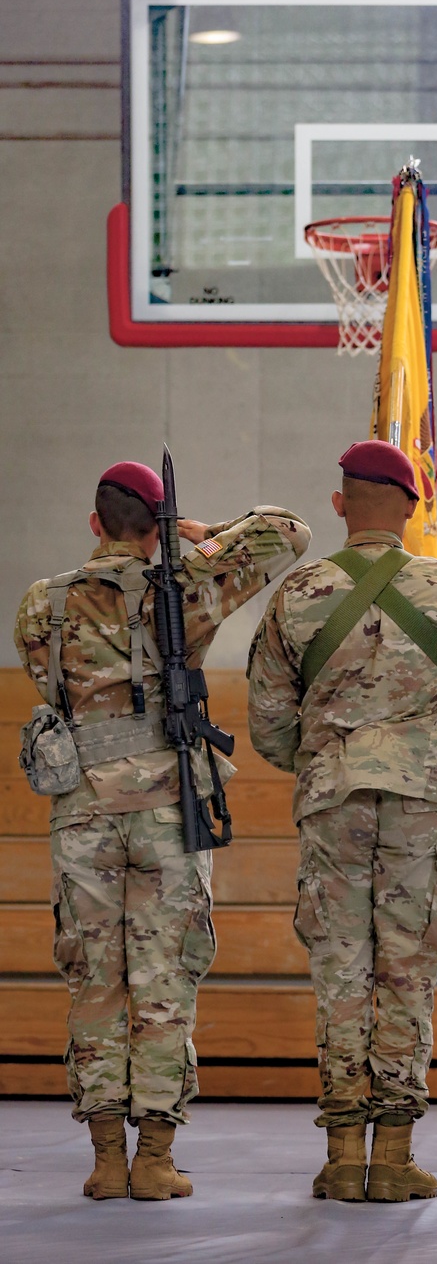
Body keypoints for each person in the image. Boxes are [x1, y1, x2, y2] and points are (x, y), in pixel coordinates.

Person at [14, 461, 310, 1201]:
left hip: (82, 808)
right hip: (164, 806)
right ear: (156, 527)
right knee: (163, 979)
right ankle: (154, 1158)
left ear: (94, 523)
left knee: (95, 981)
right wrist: (196, 538)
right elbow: (288, 532)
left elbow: (48, 684)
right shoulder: (185, 591)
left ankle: (106, 1158)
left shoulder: (39, 606)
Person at [247, 440, 437, 1203]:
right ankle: (398, 1158)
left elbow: (269, 719)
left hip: (332, 796)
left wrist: (320, 762)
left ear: (341, 503)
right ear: (414, 508)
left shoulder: (299, 590)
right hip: (418, 802)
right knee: (408, 969)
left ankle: (345, 1154)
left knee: (342, 970)